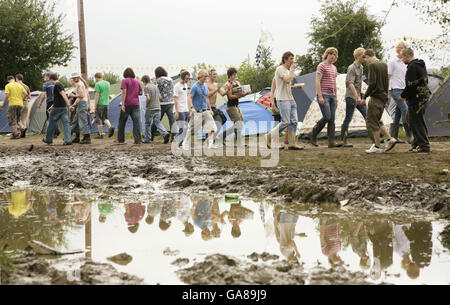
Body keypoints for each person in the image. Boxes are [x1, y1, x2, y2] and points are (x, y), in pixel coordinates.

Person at [265, 51, 303, 150]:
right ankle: (268, 136)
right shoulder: (280, 69)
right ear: (285, 59)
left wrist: (294, 87)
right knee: (285, 122)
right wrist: (292, 70)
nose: (293, 61)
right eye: (291, 59)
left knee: (294, 121)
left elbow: (287, 84)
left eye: (293, 59)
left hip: (291, 99)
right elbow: (287, 80)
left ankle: (292, 143)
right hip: (282, 99)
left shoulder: (286, 71)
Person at [362, 49, 398, 154]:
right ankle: (389, 138)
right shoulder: (384, 64)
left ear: (368, 56)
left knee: (372, 120)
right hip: (383, 97)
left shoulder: (372, 65)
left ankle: (377, 146)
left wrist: (365, 96)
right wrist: (387, 94)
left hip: (376, 96)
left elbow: (372, 83)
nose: (366, 61)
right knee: (377, 119)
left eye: (366, 59)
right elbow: (387, 81)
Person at [399, 48, 431, 153]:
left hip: (416, 99)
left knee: (417, 122)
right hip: (423, 97)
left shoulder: (412, 67)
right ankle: (417, 143)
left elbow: (411, 85)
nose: (402, 59)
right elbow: (425, 80)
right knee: (411, 119)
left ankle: (424, 146)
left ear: (407, 56)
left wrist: (402, 96)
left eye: (402, 57)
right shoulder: (420, 65)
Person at [310, 47, 342, 148]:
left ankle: (331, 142)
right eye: (331, 54)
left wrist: (336, 98)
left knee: (332, 119)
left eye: (334, 55)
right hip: (323, 95)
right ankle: (313, 134)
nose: (332, 56)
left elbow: (334, 82)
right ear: (327, 54)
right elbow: (317, 81)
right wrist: (320, 96)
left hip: (332, 96)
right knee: (327, 116)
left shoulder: (334, 68)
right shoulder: (321, 65)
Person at [342, 48, 372, 147]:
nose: (365, 57)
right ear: (358, 56)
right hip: (351, 97)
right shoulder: (352, 68)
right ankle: (344, 140)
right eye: (363, 55)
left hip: (359, 97)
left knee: (367, 115)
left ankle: (374, 140)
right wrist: (356, 97)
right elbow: (350, 83)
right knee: (348, 117)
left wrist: (360, 96)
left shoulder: (361, 67)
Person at [181, 69, 218, 149]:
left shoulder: (205, 86)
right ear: (200, 76)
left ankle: (210, 144)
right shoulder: (195, 86)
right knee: (192, 129)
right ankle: (184, 143)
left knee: (211, 127)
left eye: (207, 77)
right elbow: (189, 98)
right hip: (197, 112)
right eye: (205, 77)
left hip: (205, 111)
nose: (206, 78)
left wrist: (210, 109)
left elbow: (206, 98)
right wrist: (192, 108)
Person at [388, 42, 413, 144]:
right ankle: (410, 136)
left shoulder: (405, 63)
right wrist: (388, 93)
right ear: (398, 49)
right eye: (404, 48)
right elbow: (388, 77)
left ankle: (394, 137)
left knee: (398, 113)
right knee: (405, 110)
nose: (405, 50)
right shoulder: (392, 62)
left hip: (404, 90)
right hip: (395, 89)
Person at [222, 67, 252, 147]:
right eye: (234, 74)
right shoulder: (227, 84)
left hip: (236, 105)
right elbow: (230, 96)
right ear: (230, 75)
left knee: (239, 123)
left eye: (236, 74)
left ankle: (224, 136)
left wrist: (246, 92)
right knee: (238, 124)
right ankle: (235, 141)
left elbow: (241, 92)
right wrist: (242, 95)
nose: (235, 76)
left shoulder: (237, 82)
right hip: (231, 106)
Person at [42, 73, 74, 145]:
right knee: (66, 124)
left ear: (51, 79)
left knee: (51, 123)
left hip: (57, 108)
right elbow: (58, 98)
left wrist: (69, 105)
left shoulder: (57, 85)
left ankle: (48, 139)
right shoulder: (61, 84)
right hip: (63, 108)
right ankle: (68, 140)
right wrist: (51, 106)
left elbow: (63, 95)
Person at [142, 75, 170, 144]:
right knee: (157, 122)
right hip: (158, 107)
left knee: (147, 123)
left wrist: (146, 105)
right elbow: (160, 97)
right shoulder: (155, 87)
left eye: (143, 82)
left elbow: (148, 98)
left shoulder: (146, 87)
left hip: (151, 108)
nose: (143, 83)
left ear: (144, 81)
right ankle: (165, 133)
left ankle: (147, 139)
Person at [117, 68, 142, 145]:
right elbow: (140, 93)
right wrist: (134, 93)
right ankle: (137, 140)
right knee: (136, 122)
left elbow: (124, 92)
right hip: (136, 104)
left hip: (127, 104)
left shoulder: (124, 81)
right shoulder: (137, 81)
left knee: (122, 122)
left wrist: (123, 104)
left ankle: (121, 140)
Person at [68, 72, 91, 144]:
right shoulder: (80, 84)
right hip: (82, 104)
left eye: (74, 78)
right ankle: (70, 135)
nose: (73, 79)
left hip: (82, 104)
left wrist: (72, 95)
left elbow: (81, 96)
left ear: (78, 77)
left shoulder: (80, 85)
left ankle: (87, 137)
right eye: (73, 78)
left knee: (83, 121)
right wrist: (74, 104)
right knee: (75, 121)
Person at [155, 66, 176, 142]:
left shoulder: (159, 80)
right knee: (171, 120)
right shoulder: (170, 79)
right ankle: (174, 136)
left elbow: (157, 91)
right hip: (171, 102)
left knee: (157, 119)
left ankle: (154, 135)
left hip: (162, 103)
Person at [206, 69, 229, 138]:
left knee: (221, 120)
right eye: (214, 74)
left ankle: (212, 137)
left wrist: (228, 89)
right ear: (209, 75)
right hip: (207, 106)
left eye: (216, 74)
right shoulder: (205, 84)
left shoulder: (216, 84)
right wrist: (216, 89)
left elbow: (222, 94)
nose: (215, 76)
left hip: (214, 107)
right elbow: (207, 95)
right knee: (210, 124)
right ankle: (209, 139)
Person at [93, 72, 114, 139]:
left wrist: (95, 105)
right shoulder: (108, 83)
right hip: (106, 103)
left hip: (100, 103)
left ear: (96, 77)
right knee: (105, 118)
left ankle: (101, 134)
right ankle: (110, 127)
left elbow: (97, 95)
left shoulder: (97, 84)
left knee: (98, 118)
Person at [39, 72, 60, 138]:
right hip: (57, 101)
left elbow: (43, 95)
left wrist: (40, 103)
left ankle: (55, 132)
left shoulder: (46, 84)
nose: (44, 78)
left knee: (50, 117)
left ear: (48, 77)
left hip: (50, 102)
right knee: (55, 117)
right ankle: (56, 131)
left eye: (45, 77)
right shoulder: (57, 83)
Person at [173, 70, 191, 146]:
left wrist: (189, 90)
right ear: (182, 78)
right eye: (186, 78)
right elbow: (175, 99)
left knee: (187, 128)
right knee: (181, 128)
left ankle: (179, 142)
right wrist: (176, 112)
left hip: (186, 109)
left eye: (188, 78)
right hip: (179, 110)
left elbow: (185, 95)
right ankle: (177, 142)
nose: (187, 80)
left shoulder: (186, 85)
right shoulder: (177, 86)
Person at [15, 74, 31, 138]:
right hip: (26, 104)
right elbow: (29, 96)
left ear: (16, 78)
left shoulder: (16, 86)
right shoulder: (26, 86)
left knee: (17, 118)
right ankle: (23, 133)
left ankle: (19, 132)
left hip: (19, 103)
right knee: (23, 119)